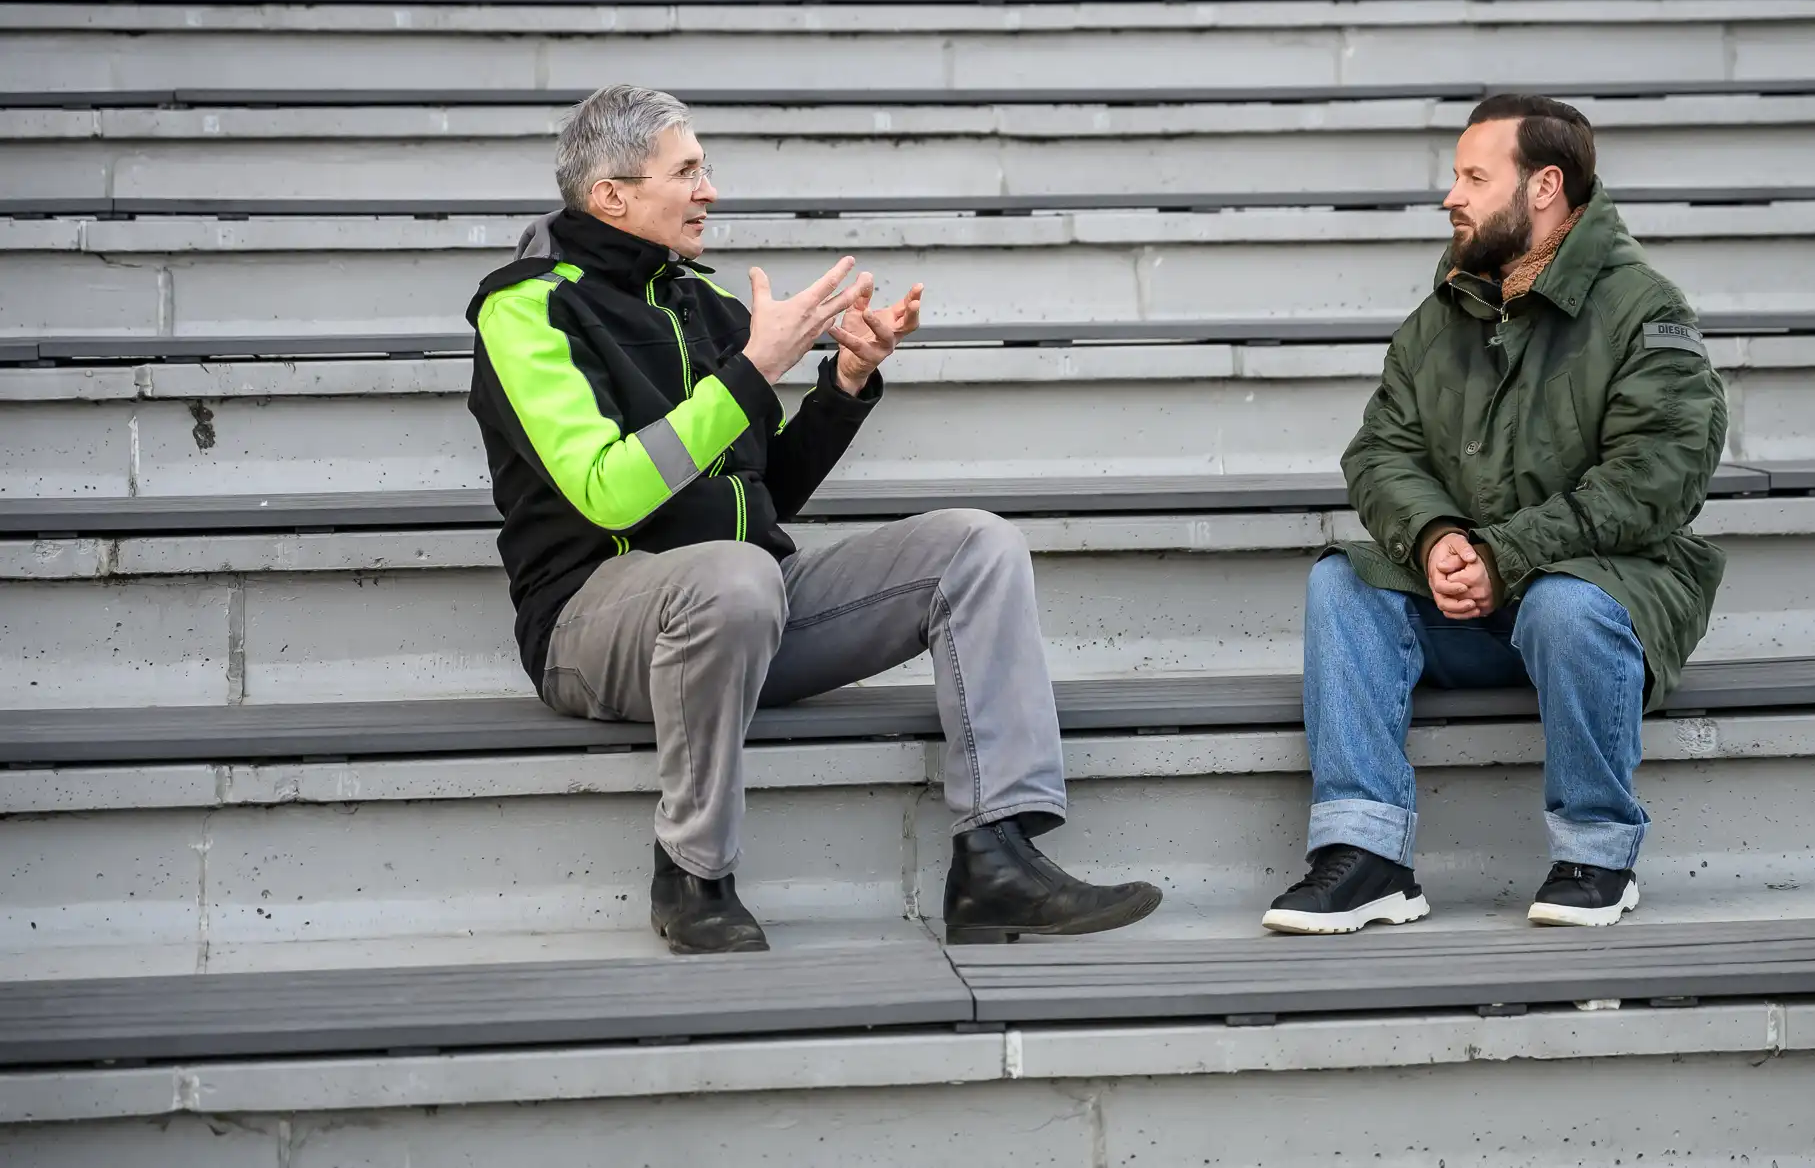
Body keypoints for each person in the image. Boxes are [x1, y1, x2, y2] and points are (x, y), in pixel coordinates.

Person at [466, 85, 1161, 954]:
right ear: (611, 194)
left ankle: (997, 856)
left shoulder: (702, 308)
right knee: (735, 577)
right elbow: (608, 491)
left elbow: (768, 495)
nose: (710, 190)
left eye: (705, 168)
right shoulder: (527, 308)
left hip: (743, 607)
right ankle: (692, 872)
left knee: (978, 546)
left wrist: (844, 385)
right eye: (687, 172)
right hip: (592, 623)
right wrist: (753, 370)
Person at [1263, 95, 1728, 935]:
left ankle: (1598, 852)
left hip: (1605, 592)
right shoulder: (1445, 313)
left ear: (1544, 186)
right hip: (1474, 601)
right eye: (1456, 176)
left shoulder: (1644, 310)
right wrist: (1437, 539)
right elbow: (1379, 451)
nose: (1452, 195)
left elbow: (1653, 481)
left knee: (1564, 604)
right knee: (1343, 584)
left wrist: (1504, 553)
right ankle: (1365, 853)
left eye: (1475, 177)